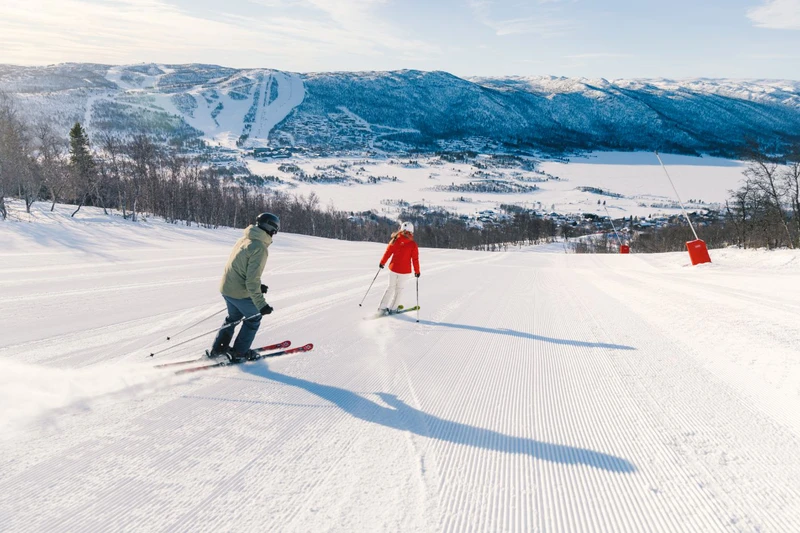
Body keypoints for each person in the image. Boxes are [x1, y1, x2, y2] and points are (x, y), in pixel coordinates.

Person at [208, 212, 279, 362]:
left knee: (233, 318)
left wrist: (259, 286)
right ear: (271, 229)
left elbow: (240, 268)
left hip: (226, 287)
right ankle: (239, 353)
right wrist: (261, 305)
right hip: (238, 292)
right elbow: (251, 280)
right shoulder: (259, 247)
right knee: (254, 318)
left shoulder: (245, 239)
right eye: (275, 230)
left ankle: (218, 349)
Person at [377, 221, 421, 315]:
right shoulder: (413, 244)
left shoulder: (395, 240)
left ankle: (382, 308)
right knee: (399, 289)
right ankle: (393, 308)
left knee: (390, 287)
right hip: (404, 271)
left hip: (393, 269)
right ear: (411, 231)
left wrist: (382, 262)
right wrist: (417, 271)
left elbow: (387, 252)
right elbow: (415, 260)